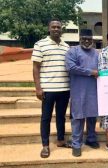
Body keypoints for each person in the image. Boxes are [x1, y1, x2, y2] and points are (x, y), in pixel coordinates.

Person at [32, 19, 70, 158]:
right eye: (53, 27)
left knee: (61, 117)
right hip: (48, 89)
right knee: (46, 118)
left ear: (61, 29)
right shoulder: (40, 44)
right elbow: (36, 67)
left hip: (64, 88)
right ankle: (45, 145)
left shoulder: (66, 46)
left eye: (58, 27)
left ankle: (60, 140)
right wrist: (38, 88)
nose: (56, 29)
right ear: (49, 29)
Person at [65, 29, 99, 157]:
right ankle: (76, 145)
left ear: (92, 40)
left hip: (93, 91)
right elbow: (71, 67)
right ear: (80, 39)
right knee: (78, 118)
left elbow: (101, 69)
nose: (86, 41)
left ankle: (91, 139)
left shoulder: (96, 53)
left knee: (92, 116)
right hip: (78, 92)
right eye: (84, 38)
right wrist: (90, 72)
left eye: (89, 39)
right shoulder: (72, 51)